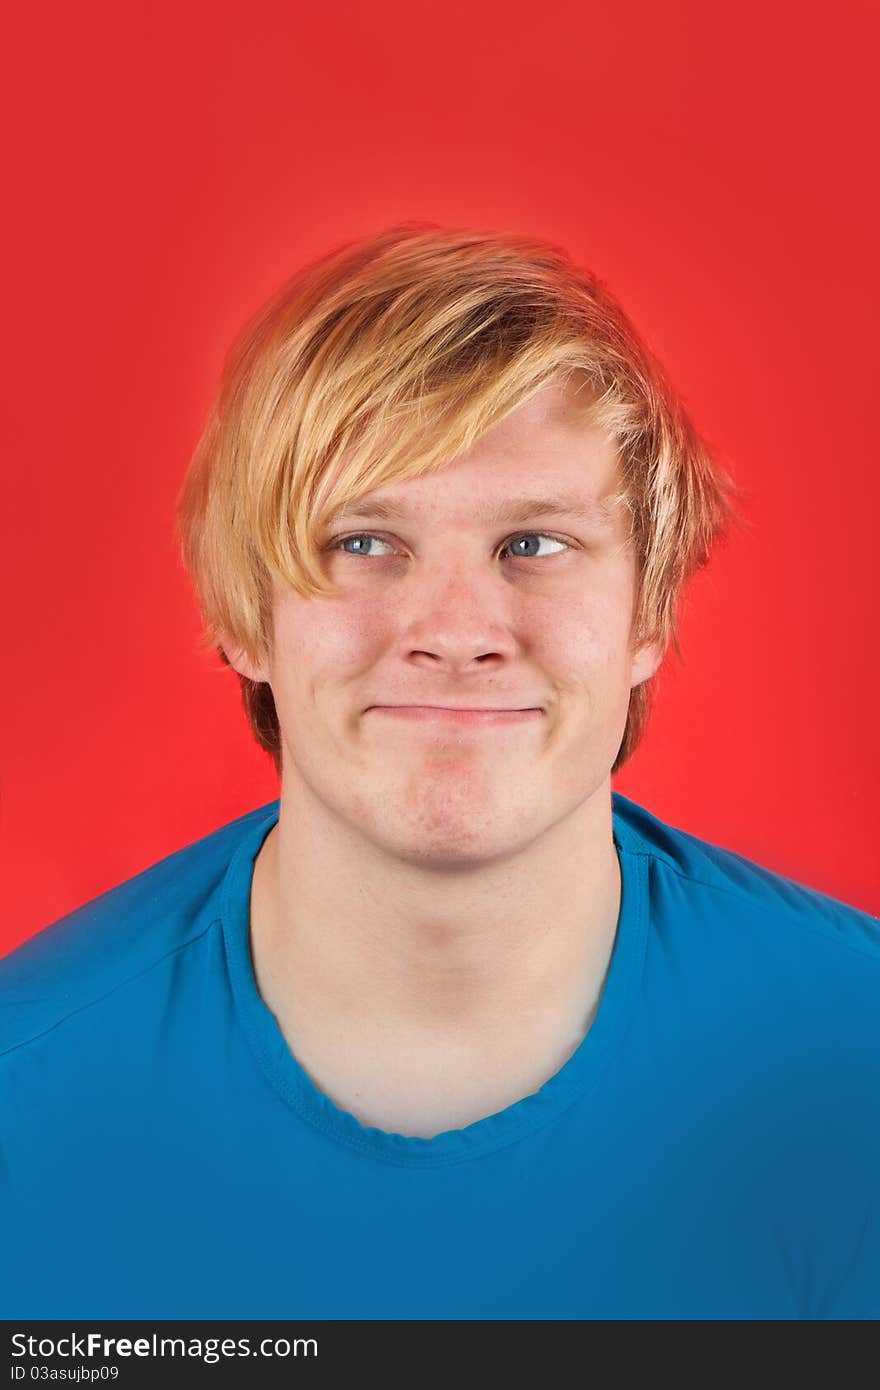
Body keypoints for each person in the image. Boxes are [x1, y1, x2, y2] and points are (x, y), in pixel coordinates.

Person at [2, 224, 877, 1321]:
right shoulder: (23, 1105)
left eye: (534, 543)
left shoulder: (858, 1059)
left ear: (648, 611)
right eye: (364, 542)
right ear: (243, 616)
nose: (457, 632)